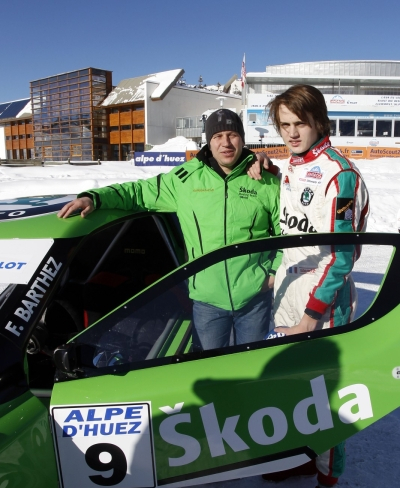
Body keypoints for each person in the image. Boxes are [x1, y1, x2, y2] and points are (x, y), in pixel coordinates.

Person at [248, 84, 370, 488]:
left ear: (318, 121)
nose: (292, 133)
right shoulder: (291, 169)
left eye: (300, 123)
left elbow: (342, 259)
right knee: (297, 391)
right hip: (288, 295)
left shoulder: (341, 177)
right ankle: (305, 456)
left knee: (327, 402)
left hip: (325, 304)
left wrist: (310, 319)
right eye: (284, 125)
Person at [58, 109, 281, 351]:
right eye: (217, 136)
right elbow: (138, 193)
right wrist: (95, 198)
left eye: (232, 135)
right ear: (208, 141)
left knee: (253, 368)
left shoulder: (264, 181)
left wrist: (271, 274)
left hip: (254, 298)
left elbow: (286, 231)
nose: (225, 143)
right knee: (207, 368)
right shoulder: (185, 180)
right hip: (206, 300)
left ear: (242, 138)